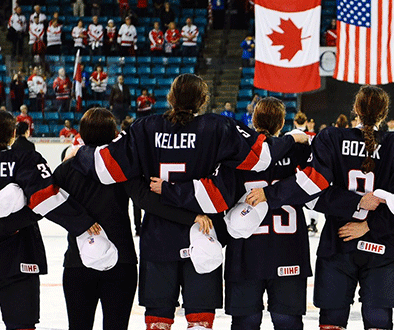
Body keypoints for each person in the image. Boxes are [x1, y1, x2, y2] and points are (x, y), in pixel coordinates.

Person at [66, 74, 307, 330]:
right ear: (203, 100)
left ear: (170, 97)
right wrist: (293, 138)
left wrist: (77, 153)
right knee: (200, 322)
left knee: (158, 320)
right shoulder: (218, 127)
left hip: (158, 239)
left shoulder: (145, 127)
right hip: (204, 236)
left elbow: (105, 166)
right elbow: (261, 156)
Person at [248, 85, 394, 330]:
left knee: (331, 323)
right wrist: (370, 224)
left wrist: (270, 194)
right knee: (379, 322)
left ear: (355, 109)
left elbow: (313, 190)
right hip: (385, 245)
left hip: (338, 242)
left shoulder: (331, 137)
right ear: (384, 113)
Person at [157, 98, 314, 330]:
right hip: (288, 250)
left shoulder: (236, 155)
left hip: (245, 253)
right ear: (282, 123)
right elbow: (316, 190)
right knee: (287, 321)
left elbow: (213, 197)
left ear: (252, 121)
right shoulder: (299, 151)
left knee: (245, 323)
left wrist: (168, 190)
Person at [0, 110, 97, 330]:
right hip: (19, 260)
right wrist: (83, 223)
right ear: (14, 134)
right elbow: (46, 201)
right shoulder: (25, 159)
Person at [55, 108, 209, 330]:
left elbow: (42, 203)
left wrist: (79, 222)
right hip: (121, 262)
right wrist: (191, 216)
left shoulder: (67, 169)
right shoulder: (122, 168)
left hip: (77, 263)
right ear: (113, 133)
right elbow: (149, 202)